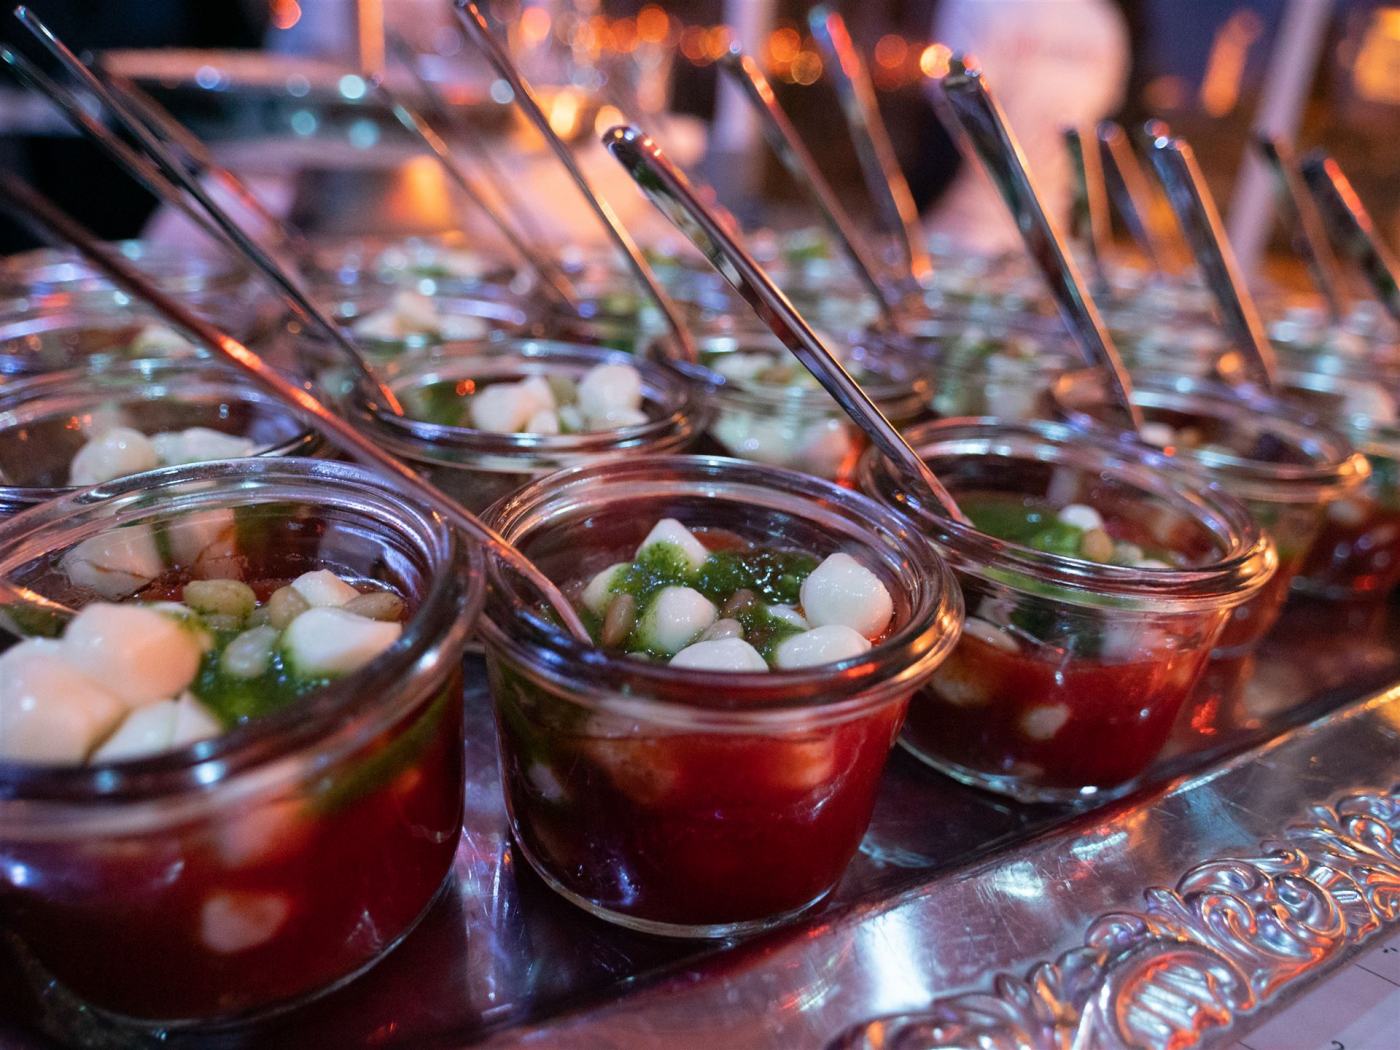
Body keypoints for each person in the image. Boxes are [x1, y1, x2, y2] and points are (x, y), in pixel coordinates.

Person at [924, 0, 1131, 252]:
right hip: (967, 231)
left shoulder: (1100, 19)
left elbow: (945, 113)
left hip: (1048, 236)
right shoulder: (1101, 19)